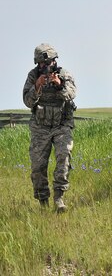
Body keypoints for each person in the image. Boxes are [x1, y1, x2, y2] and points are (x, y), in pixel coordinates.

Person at [22, 43, 77, 212]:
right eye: (41, 64)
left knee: (63, 156)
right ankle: (43, 202)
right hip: (40, 127)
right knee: (38, 166)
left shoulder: (64, 74)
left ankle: (59, 198)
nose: (45, 67)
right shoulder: (33, 76)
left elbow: (72, 94)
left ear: (54, 61)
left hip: (61, 125)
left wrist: (59, 84)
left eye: (47, 63)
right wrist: (37, 86)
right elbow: (27, 101)